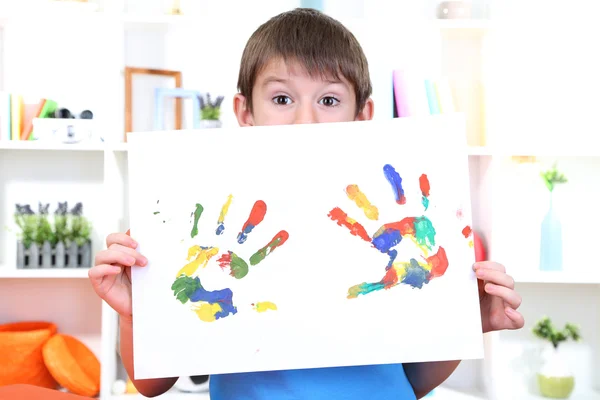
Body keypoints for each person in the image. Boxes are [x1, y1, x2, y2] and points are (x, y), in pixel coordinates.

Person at [89, 8, 524, 400]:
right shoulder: (205, 219)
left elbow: (414, 383)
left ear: (363, 115)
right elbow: (150, 386)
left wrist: (464, 322)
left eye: (329, 100)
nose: (305, 121)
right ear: (244, 112)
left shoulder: (382, 220)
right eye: (282, 99)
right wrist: (136, 312)